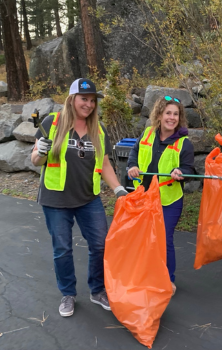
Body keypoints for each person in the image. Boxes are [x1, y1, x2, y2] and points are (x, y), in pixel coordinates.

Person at [31, 78, 128, 317]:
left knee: (99, 244)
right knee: (62, 249)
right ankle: (68, 294)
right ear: (72, 99)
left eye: (92, 100)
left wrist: (118, 189)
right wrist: (41, 151)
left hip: (88, 199)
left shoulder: (99, 129)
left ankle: (97, 291)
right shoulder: (51, 123)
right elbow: (35, 160)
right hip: (56, 200)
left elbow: (104, 163)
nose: (88, 104)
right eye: (84, 99)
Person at [127, 96, 195, 296]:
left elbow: (188, 169)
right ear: (159, 114)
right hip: (144, 197)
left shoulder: (184, 143)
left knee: (164, 239)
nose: (172, 118)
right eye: (168, 113)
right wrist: (132, 166)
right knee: (144, 238)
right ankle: (146, 274)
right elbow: (134, 153)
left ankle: (168, 279)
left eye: (175, 114)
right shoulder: (147, 134)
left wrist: (180, 173)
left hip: (168, 200)